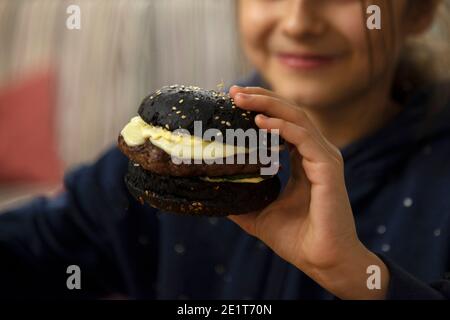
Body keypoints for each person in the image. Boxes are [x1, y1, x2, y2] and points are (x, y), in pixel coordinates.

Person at [1, 0, 449, 299]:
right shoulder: (179, 154)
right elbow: (34, 247)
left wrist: (361, 278)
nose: (298, 22)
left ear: (419, 13)